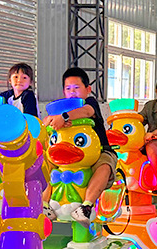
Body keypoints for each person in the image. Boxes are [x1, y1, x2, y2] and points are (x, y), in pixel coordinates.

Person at [43, 66, 119, 224]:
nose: (72, 92)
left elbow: (86, 112)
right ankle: (43, 204)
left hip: (99, 152)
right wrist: (51, 120)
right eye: (68, 88)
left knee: (105, 165)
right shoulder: (60, 108)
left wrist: (64, 117)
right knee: (45, 165)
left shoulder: (89, 103)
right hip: (65, 154)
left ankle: (86, 206)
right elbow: (46, 123)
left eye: (76, 88)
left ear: (88, 89)